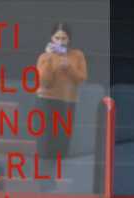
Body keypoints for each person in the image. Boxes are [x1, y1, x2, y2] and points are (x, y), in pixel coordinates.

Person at [35, 22, 88, 162]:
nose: (60, 41)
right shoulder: (44, 56)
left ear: (69, 39)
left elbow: (81, 79)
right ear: (51, 38)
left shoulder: (77, 55)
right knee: (46, 138)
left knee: (63, 138)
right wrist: (49, 57)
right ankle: (44, 169)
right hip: (46, 100)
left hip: (68, 101)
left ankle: (60, 169)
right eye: (57, 38)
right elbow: (44, 82)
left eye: (64, 38)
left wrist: (68, 67)